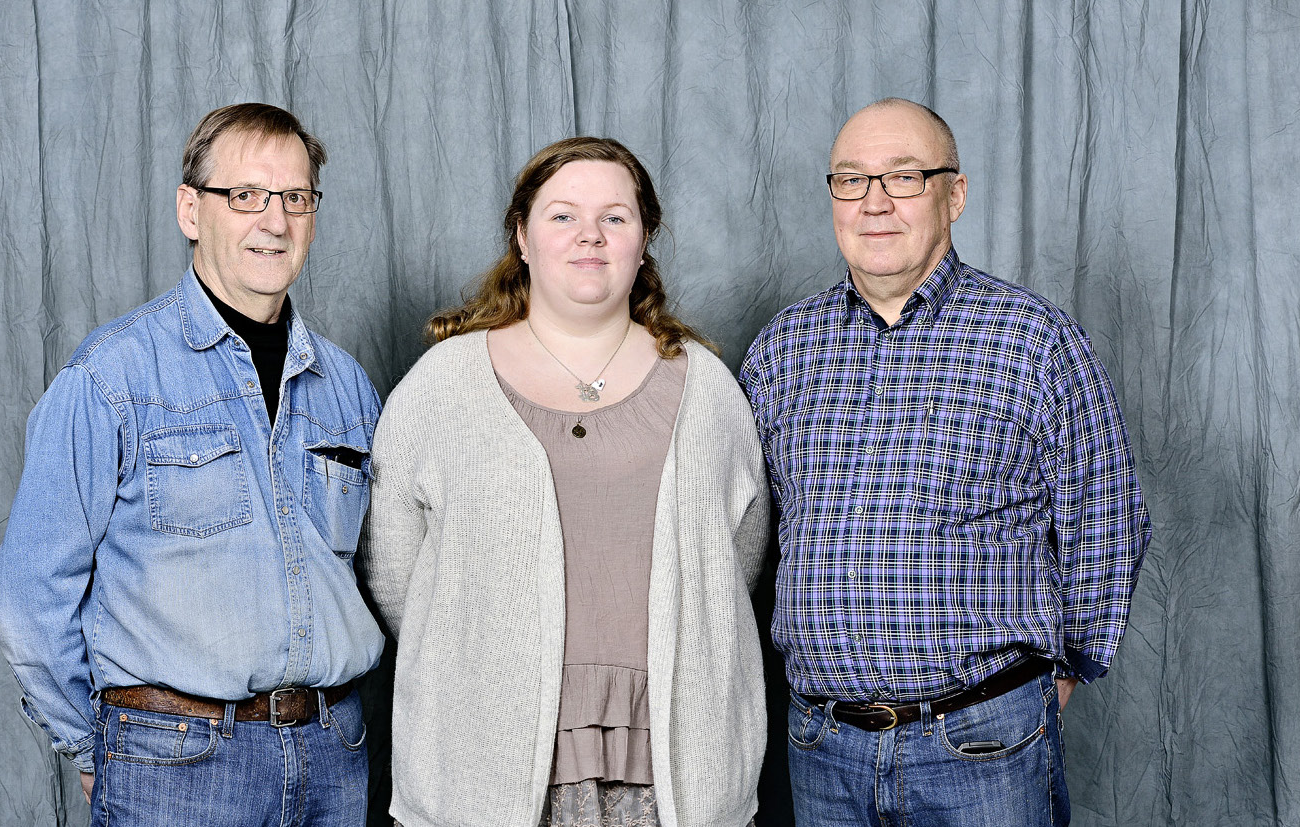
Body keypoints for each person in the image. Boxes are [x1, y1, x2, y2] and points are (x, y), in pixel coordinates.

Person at [740, 98, 1150, 826]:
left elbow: (1107, 515)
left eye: (903, 177)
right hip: (823, 744)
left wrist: (1066, 670)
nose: (874, 203)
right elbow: (754, 534)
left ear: (952, 193)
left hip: (985, 743)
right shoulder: (781, 349)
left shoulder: (1033, 339)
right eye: (851, 179)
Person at [360, 137, 769, 827]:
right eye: (562, 216)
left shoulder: (709, 393)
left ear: (644, 240)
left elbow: (733, 567)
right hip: (485, 771)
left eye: (615, 216)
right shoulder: (441, 388)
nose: (590, 236)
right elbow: (401, 578)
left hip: (672, 781)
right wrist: (500, 642)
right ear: (522, 236)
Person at [0, 103, 381, 827]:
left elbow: (379, 576)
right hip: (175, 770)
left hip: (334, 758)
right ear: (191, 210)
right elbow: (29, 594)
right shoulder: (110, 377)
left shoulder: (348, 387)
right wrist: (91, 746)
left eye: (295, 197)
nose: (275, 221)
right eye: (246, 197)